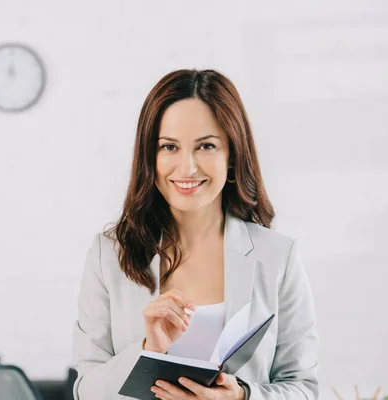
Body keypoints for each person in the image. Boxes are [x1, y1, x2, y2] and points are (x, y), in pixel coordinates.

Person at [72, 69, 319, 400]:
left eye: (206, 146)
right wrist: (148, 349)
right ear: (150, 156)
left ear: (232, 155)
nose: (187, 168)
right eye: (169, 146)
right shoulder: (109, 255)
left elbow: (303, 388)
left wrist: (242, 397)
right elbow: (85, 390)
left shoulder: (278, 256)